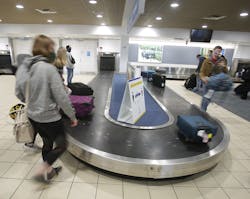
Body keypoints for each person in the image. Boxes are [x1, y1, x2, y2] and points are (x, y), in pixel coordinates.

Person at [15, 35, 78, 181]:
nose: (53, 51)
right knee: (62, 145)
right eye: (51, 48)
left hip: (33, 116)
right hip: (49, 117)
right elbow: (61, 97)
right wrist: (72, 116)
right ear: (46, 49)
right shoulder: (49, 69)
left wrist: (32, 102)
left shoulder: (25, 67)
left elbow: (18, 91)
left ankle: (48, 171)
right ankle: (43, 168)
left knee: (47, 143)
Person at [200, 46, 224, 111]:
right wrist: (203, 78)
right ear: (213, 51)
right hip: (207, 81)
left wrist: (222, 67)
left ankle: (203, 109)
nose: (217, 52)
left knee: (209, 97)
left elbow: (224, 72)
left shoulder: (221, 61)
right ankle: (203, 110)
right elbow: (202, 71)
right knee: (205, 96)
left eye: (219, 51)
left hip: (215, 82)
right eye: (216, 51)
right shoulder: (207, 60)